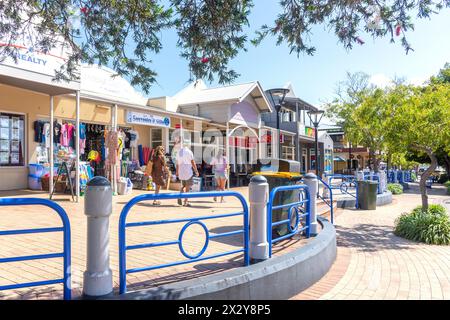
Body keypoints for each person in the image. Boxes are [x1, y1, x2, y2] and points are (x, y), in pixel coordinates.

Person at [176, 142, 199, 206]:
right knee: (188, 187)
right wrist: (196, 171)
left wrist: (177, 171)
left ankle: (179, 195)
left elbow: (177, 163)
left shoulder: (179, 152)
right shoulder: (189, 152)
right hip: (188, 172)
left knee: (183, 186)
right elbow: (193, 162)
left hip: (181, 171)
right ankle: (186, 202)